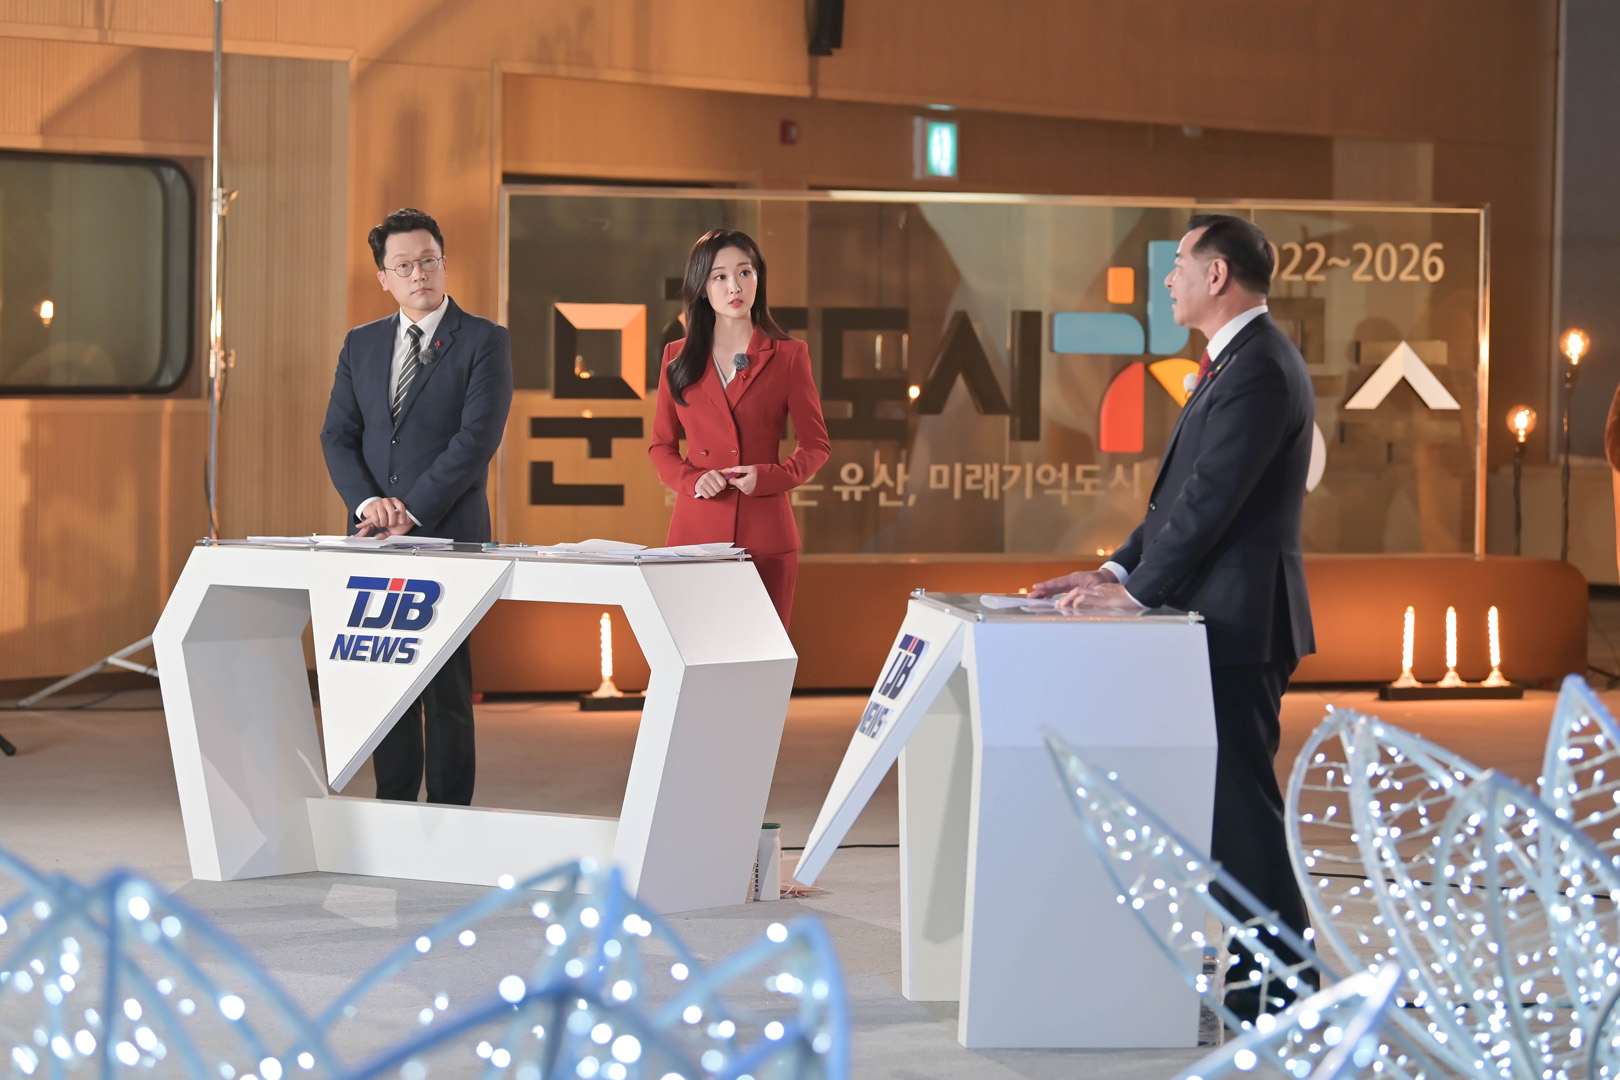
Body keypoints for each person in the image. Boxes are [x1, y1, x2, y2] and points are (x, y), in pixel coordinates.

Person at [1031, 214, 1316, 1019]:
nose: (1168, 279)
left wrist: (1138, 594)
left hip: (1239, 624)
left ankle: (1284, 992)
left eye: (1180, 264)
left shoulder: (1260, 368)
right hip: (1219, 619)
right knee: (1225, 812)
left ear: (1217, 274)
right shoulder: (1238, 361)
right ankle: (1266, 983)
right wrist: (1116, 569)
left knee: (1239, 814)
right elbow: (1179, 502)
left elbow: (1213, 502)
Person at [320, 207, 513, 805]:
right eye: (402, 265)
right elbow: (337, 435)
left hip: (448, 533)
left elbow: (476, 439)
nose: (418, 274)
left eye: (427, 261)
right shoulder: (361, 343)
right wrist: (369, 503)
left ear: (445, 264)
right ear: (383, 277)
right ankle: (394, 809)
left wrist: (412, 508)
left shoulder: (484, 340)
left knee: (445, 685)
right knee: (385, 679)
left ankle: (451, 814)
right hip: (373, 536)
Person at [649, 229, 830, 627]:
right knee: (695, 650)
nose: (735, 286)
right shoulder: (676, 357)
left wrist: (771, 476)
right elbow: (660, 446)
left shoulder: (788, 355)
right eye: (720, 276)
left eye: (745, 272)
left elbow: (816, 444)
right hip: (694, 538)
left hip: (766, 535)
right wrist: (693, 479)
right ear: (702, 287)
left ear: (758, 278)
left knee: (762, 654)